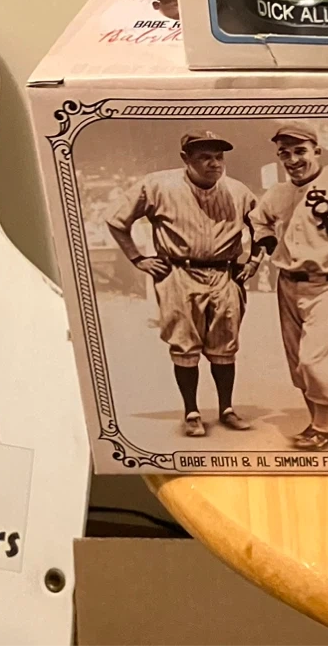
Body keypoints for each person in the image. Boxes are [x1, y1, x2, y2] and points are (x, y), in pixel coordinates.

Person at [106, 131, 260, 438]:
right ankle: (192, 412)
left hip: (224, 273)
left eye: (218, 157)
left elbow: (263, 226)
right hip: (179, 272)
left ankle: (226, 409)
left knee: (225, 344)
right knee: (185, 345)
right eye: (204, 157)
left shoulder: (237, 191)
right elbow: (117, 220)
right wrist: (138, 258)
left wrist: (254, 261)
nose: (214, 164)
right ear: (185, 159)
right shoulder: (158, 185)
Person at [249, 123, 328, 450]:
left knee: (317, 361)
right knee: (299, 362)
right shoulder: (278, 193)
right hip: (288, 284)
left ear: (317, 151)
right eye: (285, 153)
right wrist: (269, 241)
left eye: (300, 151)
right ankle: (316, 424)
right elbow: (258, 219)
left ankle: (324, 428)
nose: (293, 160)